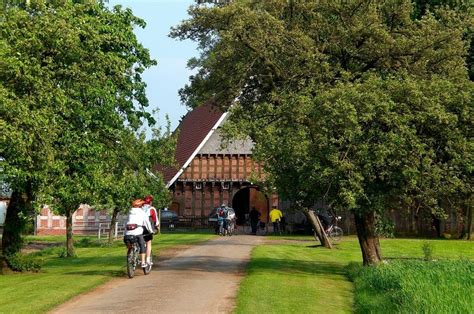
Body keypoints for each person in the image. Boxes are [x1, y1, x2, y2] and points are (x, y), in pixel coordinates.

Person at [124, 199, 153, 268]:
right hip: (137, 232)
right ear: (140, 206)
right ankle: (143, 262)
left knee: (129, 244)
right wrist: (151, 231)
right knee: (142, 245)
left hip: (127, 234)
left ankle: (130, 255)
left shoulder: (129, 211)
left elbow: (126, 222)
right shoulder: (142, 212)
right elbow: (147, 222)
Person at [142, 195, 159, 265]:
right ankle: (148, 259)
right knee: (148, 243)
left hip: (138, 227)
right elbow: (155, 220)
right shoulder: (152, 209)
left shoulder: (140, 208)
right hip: (146, 228)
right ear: (151, 202)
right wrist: (157, 227)